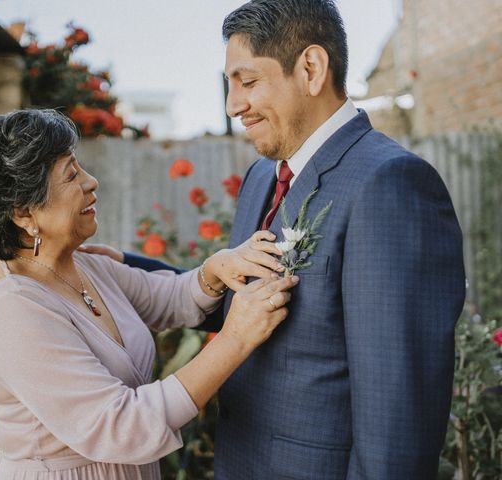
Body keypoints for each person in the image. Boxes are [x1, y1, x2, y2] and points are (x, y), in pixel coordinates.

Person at [91, 1, 466, 478]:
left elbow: (399, 404)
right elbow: (239, 303)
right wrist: (114, 267)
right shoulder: (261, 176)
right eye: (231, 85)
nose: (233, 105)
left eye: (248, 82)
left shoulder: (390, 184)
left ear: (310, 68)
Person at [0, 109, 300, 480]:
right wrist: (237, 338)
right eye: (71, 174)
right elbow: (119, 425)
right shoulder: (11, 311)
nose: (91, 182)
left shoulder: (84, 264)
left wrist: (217, 267)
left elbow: (172, 298)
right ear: (23, 212)